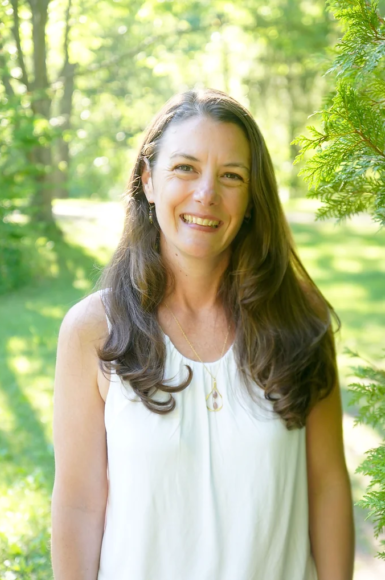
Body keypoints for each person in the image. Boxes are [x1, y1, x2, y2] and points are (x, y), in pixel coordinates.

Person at [51, 88, 355, 580]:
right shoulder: (93, 330)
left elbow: (327, 486)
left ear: (253, 196)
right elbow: (80, 505)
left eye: (231, 176)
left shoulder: (301, 318)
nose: (206, 193)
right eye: (185, 168)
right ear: (148, 180)